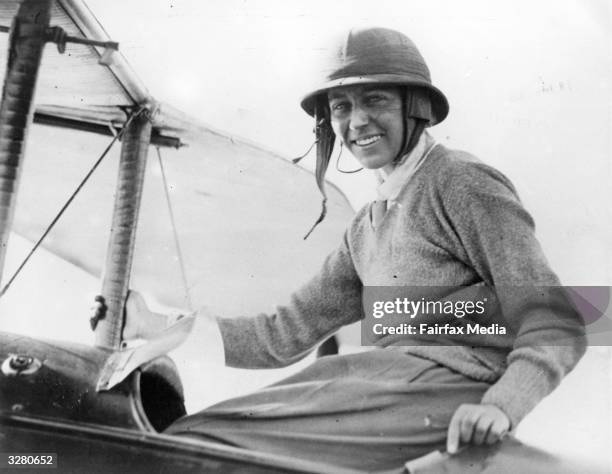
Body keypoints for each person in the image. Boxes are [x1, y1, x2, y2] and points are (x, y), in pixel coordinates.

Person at [120, 27, 586, 471]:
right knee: (194, 431)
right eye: (340, 107)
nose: (356, 121)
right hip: (385, 385)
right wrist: (155, 327)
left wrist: (503, 407)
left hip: (444, 391)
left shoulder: (460, 182)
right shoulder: (366, 226)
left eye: (375, 100)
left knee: (203, 446)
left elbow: (558, 319)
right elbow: (283, 334)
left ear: (416, 105)